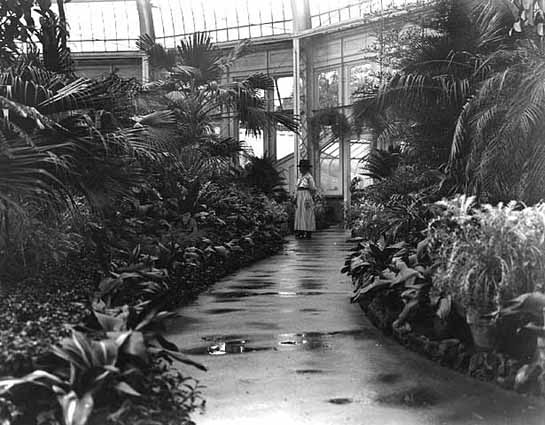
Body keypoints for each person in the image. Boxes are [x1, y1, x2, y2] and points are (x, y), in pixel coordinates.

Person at [294, 159, 316, 239]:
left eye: (302, 167)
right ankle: (300, 230)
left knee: (306, 213)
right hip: (299, 196)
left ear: (306, 168)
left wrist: (309, 196)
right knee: (300, 213)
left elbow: (313, 188)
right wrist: (295, 197)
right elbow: (296, 188)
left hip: (306, 195)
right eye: (300, 167)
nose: (300, 169)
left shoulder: (309, 177)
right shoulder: (300, 177)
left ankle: (308, 230)